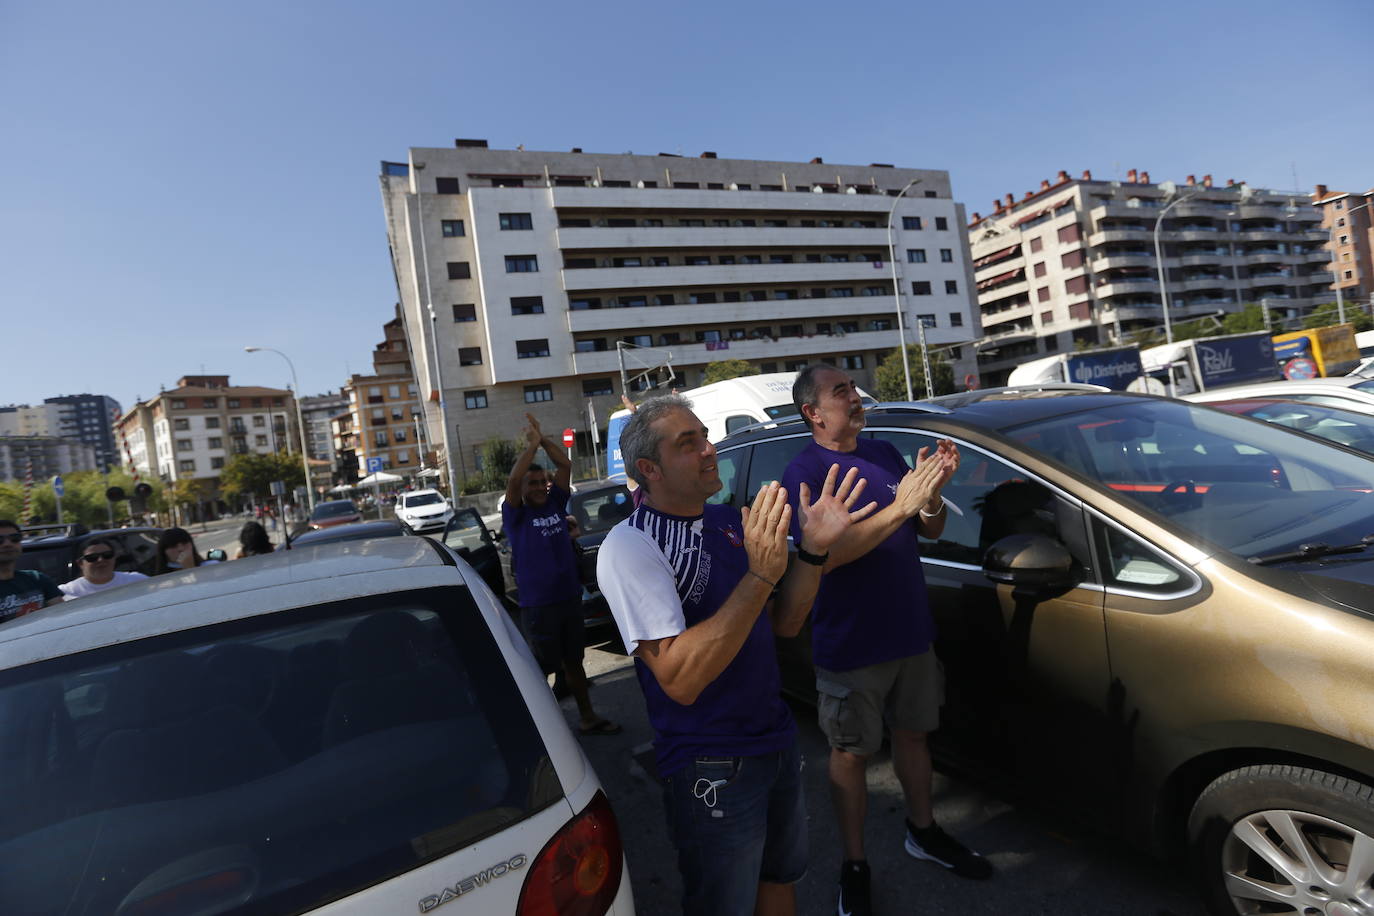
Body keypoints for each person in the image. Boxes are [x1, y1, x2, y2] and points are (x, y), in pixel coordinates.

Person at [598, 395, 875, 916]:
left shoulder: (729, 520)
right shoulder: (630, 546)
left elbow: (784, 624)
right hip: (710, 761)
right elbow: (679, 679)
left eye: (705, 436)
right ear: (648, 469)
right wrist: (760, 575)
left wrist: (813, 552)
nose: (710, 450)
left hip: (772, 739)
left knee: (779, 879)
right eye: (689, 444)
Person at [781, 364, 985, 916]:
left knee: (915, 736)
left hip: (910, 632)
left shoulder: (885, 454)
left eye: (853, 387)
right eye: (839, 391)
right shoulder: (804, 473)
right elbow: (825, 557)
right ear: (813, 413)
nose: (854, 396)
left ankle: (923, 831)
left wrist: (933, 494)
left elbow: (930, 527)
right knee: (850, 753)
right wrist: (900, 506)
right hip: (851, 644)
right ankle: (854, 865)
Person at [502, 412, 619, 736]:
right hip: (539, 606)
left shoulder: (555, 502)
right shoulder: (516, 516)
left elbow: (564, 466)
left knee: (574, 663)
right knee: (541, 669)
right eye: (534, 483)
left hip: (568, 599)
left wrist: (544, 440)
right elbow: (513, 480)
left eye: (543, 482)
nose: (541, 487)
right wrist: (532, 447)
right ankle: (544, 734)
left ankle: (587, 717)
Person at [0, 519, 63, 623]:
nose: (7, 544)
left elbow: (63, 616)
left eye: (15, 538)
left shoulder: (37, 578)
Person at [59, 536, 148, 598]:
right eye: (92, 557)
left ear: (114, 558)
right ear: (80, 563)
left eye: (107, 555)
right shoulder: (67, 592)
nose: (101, 560)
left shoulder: (137, 581)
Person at [153, 527, 219, 575]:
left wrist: (190, 568)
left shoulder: (212, 567)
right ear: (164, 552)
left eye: (184, 543)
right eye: (173, 546)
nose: (180, 549)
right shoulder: (160, 581)